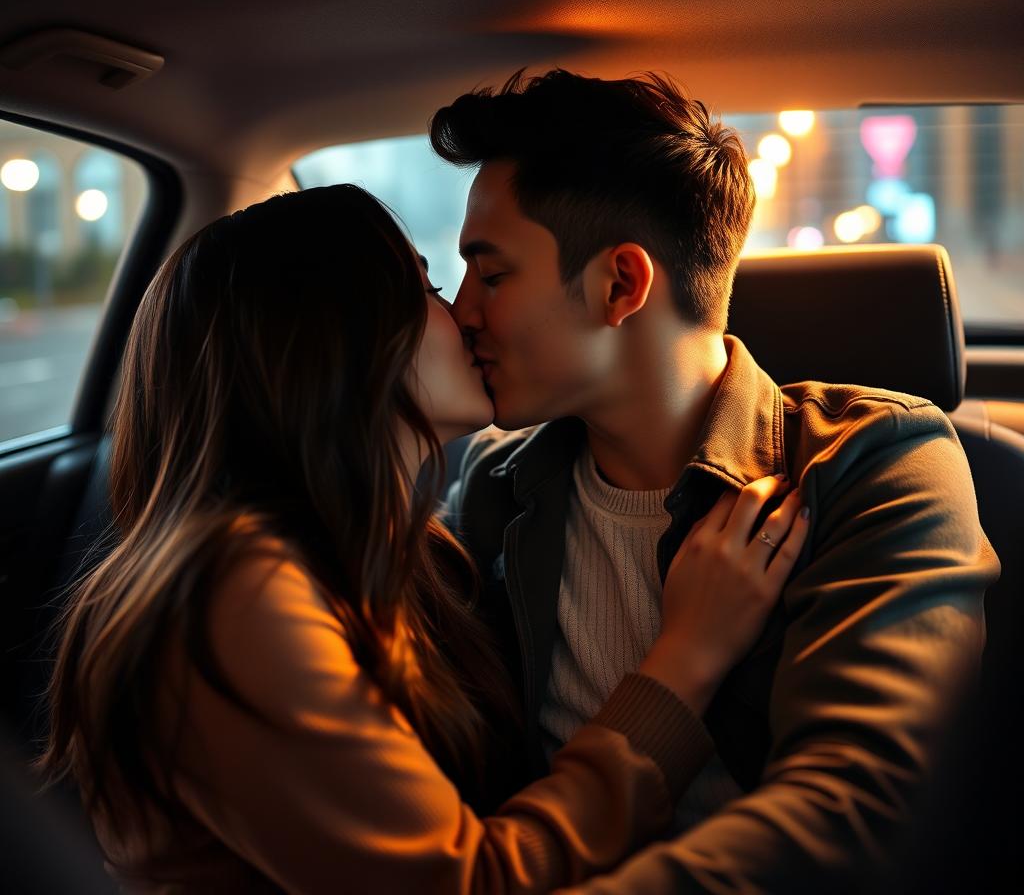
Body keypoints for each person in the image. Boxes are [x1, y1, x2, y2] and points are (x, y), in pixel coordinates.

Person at [38, 184, 808, 893]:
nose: (466, 314)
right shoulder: (230, 595)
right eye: (428, 288)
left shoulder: (416, 558)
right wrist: (686, 660)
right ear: (332, 343)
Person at [433, 69, 1000, 893]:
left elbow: (853, 818)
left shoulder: (872, 467)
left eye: (490, 276)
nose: (460, 311)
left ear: (621, 284)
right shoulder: (495, 489)